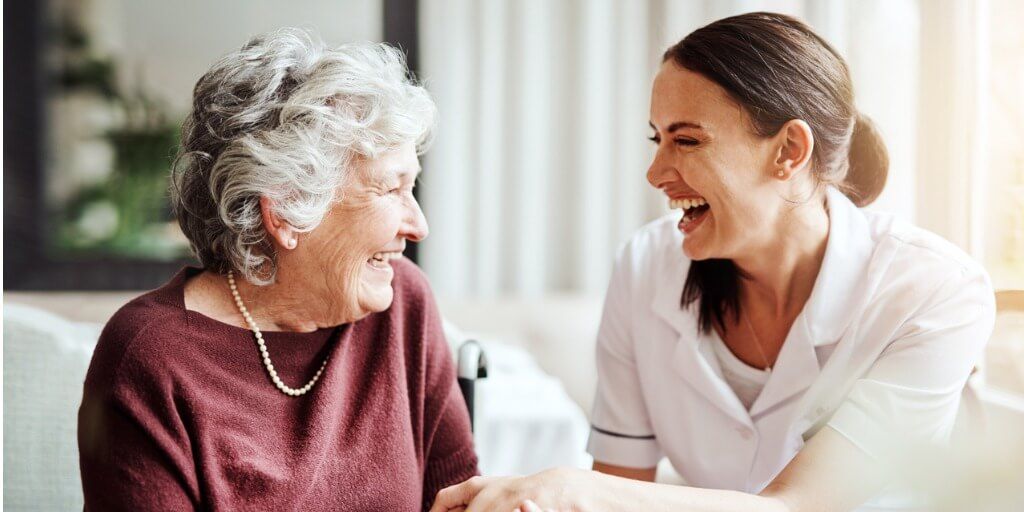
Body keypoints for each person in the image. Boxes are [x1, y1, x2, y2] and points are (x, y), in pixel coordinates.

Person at [431, 12, 994, 512]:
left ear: (789, 152)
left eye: (688, 140)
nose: (656, 173)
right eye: (657, 139)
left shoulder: (934, 292)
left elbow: (798, 506)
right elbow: (621, 489)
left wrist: (571, 488)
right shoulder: (646, 266)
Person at [78, 28, 478, 511]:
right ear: (287, 210)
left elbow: (459, 498)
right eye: (392, 190)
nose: (419, 225)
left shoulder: (402, 304)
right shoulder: (150, 359)